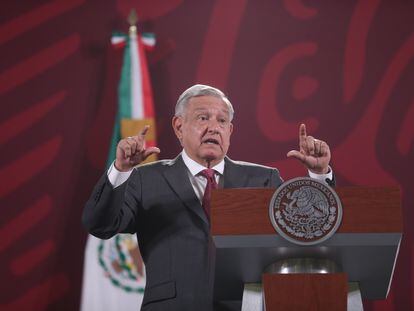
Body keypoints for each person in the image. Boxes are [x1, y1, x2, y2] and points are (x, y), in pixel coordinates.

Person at [82, 84, 333, 311]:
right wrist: (121, 170)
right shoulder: (145, 179)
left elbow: (306, 231)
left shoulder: (262, 180)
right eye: (203, 118)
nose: (214, 127)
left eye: (222, 121)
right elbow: (100, 224)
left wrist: (319, 176)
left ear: (230, 130)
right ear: (179, 127)